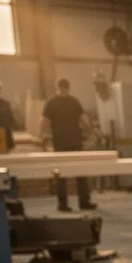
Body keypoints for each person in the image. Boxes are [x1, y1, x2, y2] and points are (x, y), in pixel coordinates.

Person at [41, 78, 96, 211]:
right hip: (61, 143)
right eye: (62, 89)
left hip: (74, 141)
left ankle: (83, 202)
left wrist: (89, 131)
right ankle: (63, 204)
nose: (64, 91)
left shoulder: (73, 102)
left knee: (80, 173)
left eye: (65, 89)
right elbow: (45, 122)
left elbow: (82, 119)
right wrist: (43, 136)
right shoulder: (52, 103)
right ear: (58, 88)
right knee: (62, 175)